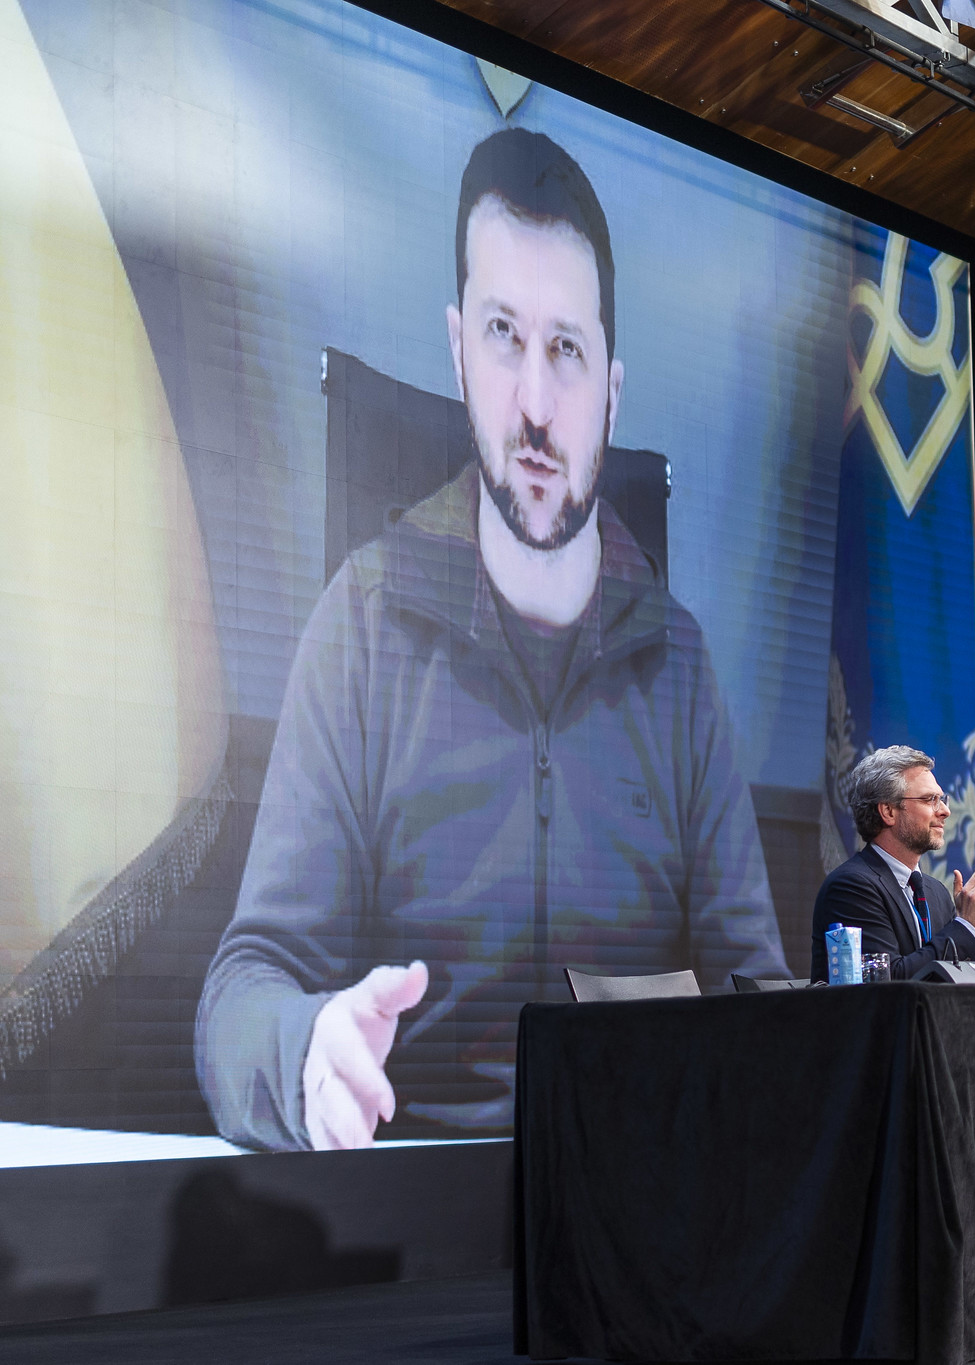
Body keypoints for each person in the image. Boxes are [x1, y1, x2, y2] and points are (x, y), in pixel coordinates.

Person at [195, 129, 788, 1154]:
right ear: (457, 349)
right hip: (410, 1219)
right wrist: (300, 1051)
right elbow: (245, 987)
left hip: (636, 1215)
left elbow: (752, 983)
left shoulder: (678, 663)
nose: (534, 406)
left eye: (567, 348)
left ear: (612, 387)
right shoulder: (361, 627)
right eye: (504, 335)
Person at [809, 747, 975, 981]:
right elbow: (891, 980)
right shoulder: (851, 887)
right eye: (929, 800)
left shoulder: (935, 891)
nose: (945, 811)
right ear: (888, 811)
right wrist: (966, 924)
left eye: (942, 799)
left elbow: (966, 974)